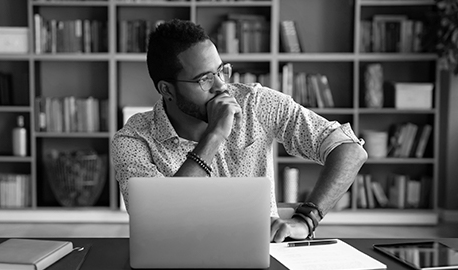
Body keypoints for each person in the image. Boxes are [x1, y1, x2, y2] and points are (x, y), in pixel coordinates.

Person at [111, 19, 367, 243]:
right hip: (181, 259)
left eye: (221, 70)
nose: (222, 86)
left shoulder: (255, 103)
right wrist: (215, 135)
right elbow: (157, 222)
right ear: (167, 90)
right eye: (204, 79)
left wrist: (307, 218)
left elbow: (350, 150)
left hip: (262, 253)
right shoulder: (133, 140)